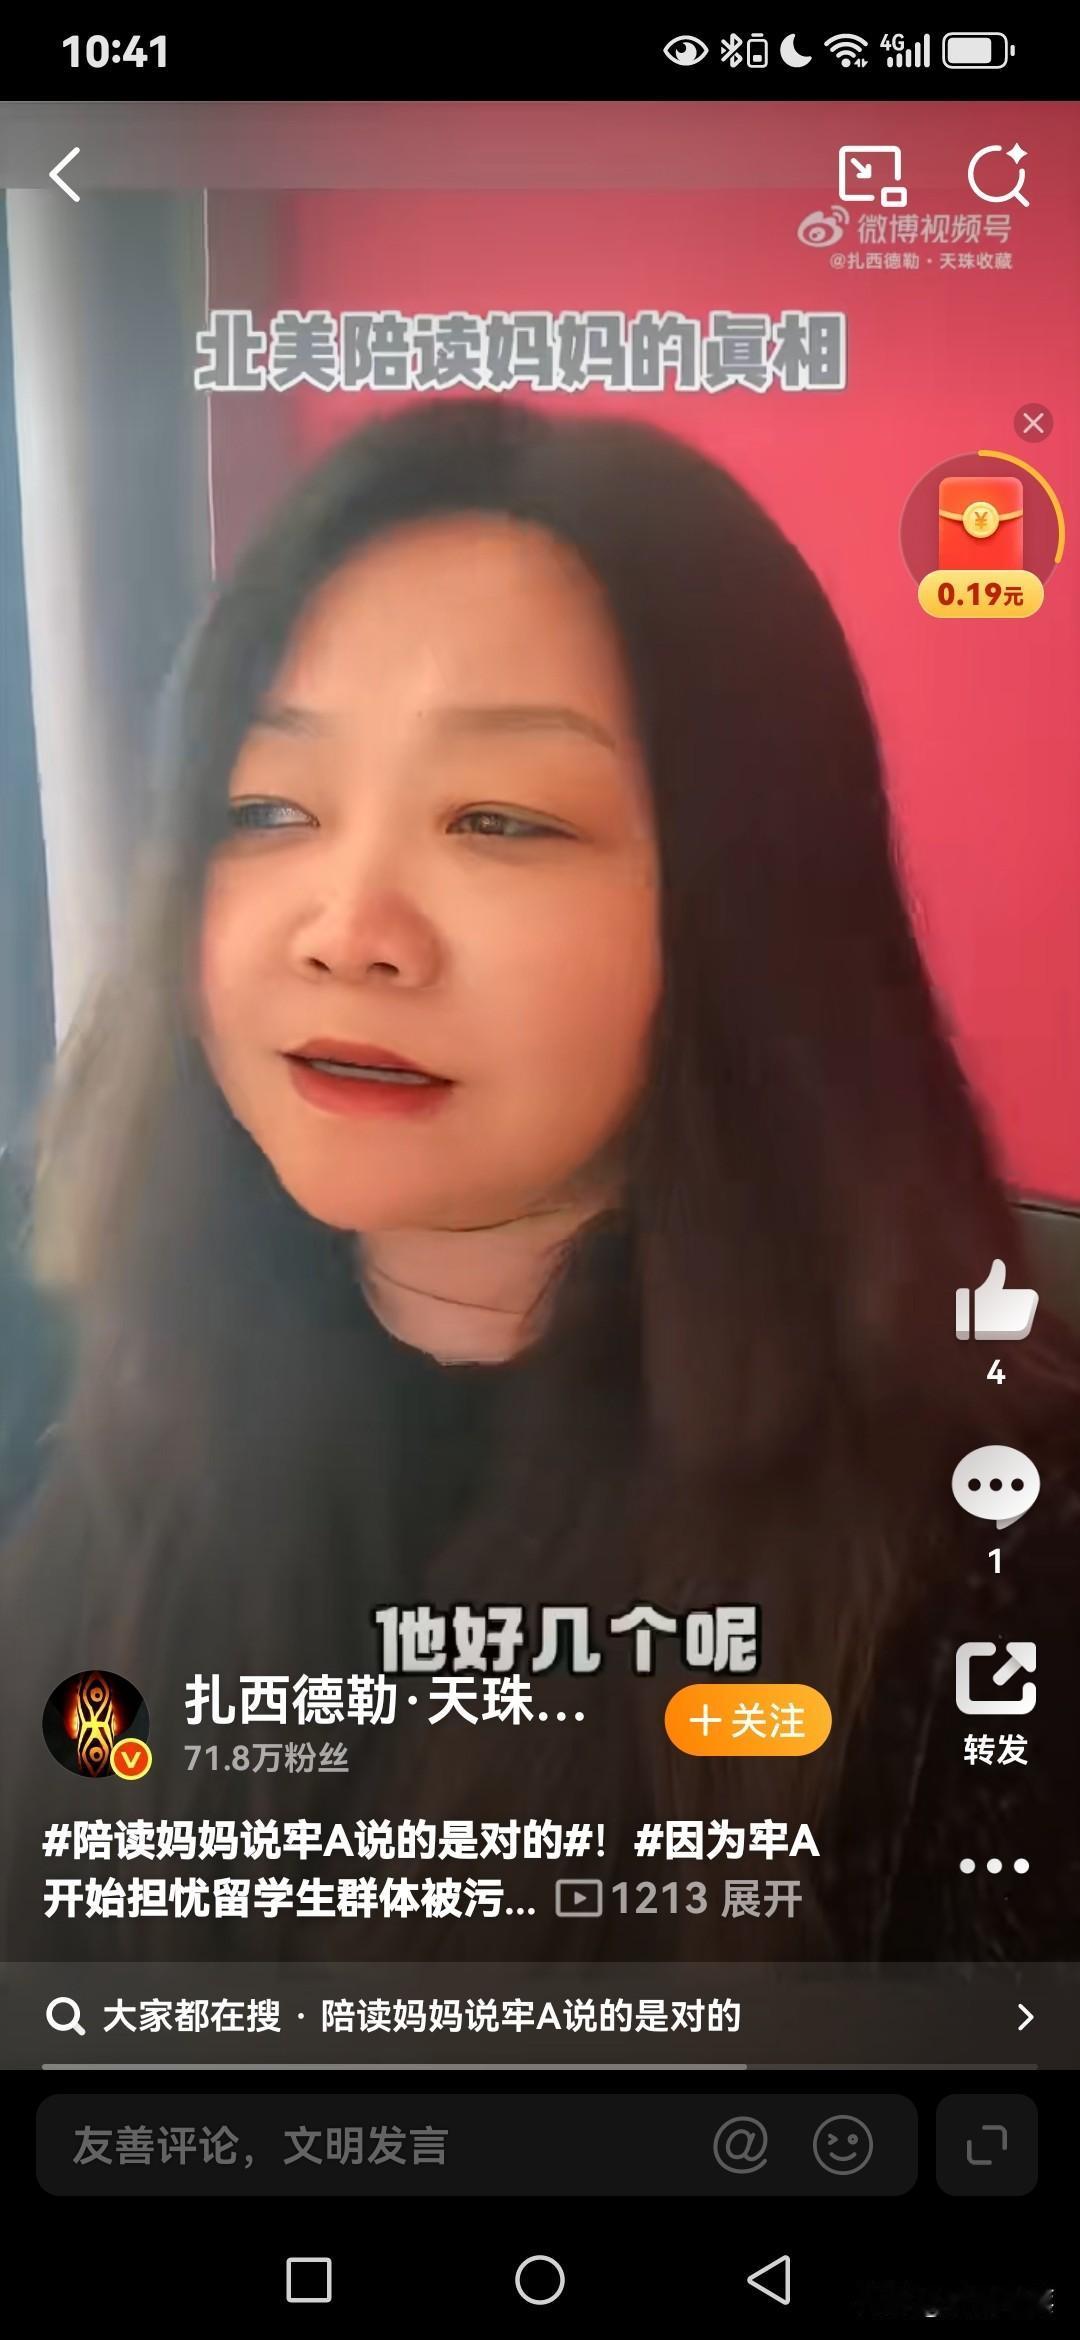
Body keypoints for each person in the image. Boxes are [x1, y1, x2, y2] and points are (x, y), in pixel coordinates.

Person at [1, 396, 1078, 1980]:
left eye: (500, 819)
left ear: (744, 912)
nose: (349, 930)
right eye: (266, 810)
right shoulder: (55, 1345)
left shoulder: (999, 1563)